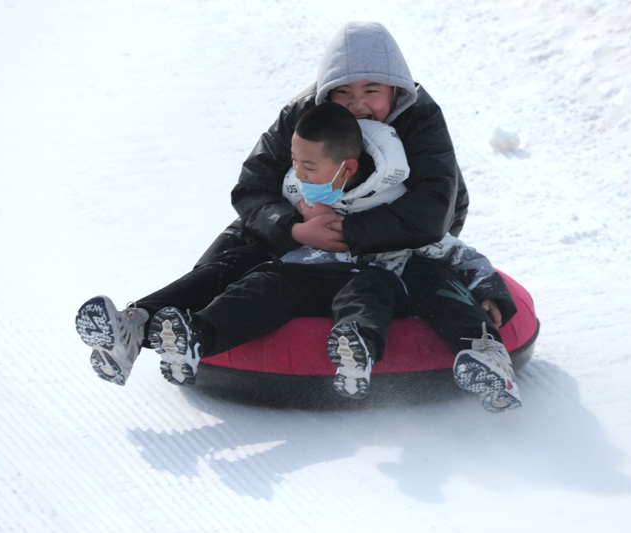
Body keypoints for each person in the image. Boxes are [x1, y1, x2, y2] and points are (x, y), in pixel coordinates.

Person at [75, 22, 516, 411]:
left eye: (371, 91)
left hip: (398, 235)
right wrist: (294, 228)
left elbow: (432, 213)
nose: (357, 104)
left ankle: (471, 347)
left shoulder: (420, 119)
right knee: (235, 261)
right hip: (307, 226)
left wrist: (349, 232)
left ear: (396, 90)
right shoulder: (303, 116)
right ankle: (139, 324)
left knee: (415, 278)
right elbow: (253, 188)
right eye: (343, 92)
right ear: (325, 93)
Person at [144, 103, 520, 411]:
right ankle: (197, 338)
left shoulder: (395, 214)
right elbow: (247, 233)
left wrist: (489, 289)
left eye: (309, 168)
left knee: (379, 288)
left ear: (347, 169)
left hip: (377, 281)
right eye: (296, 165)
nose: (299, 175)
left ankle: (476, 356)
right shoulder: (298, 204)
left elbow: (455, 252)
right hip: (308, 277)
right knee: (263, 283)